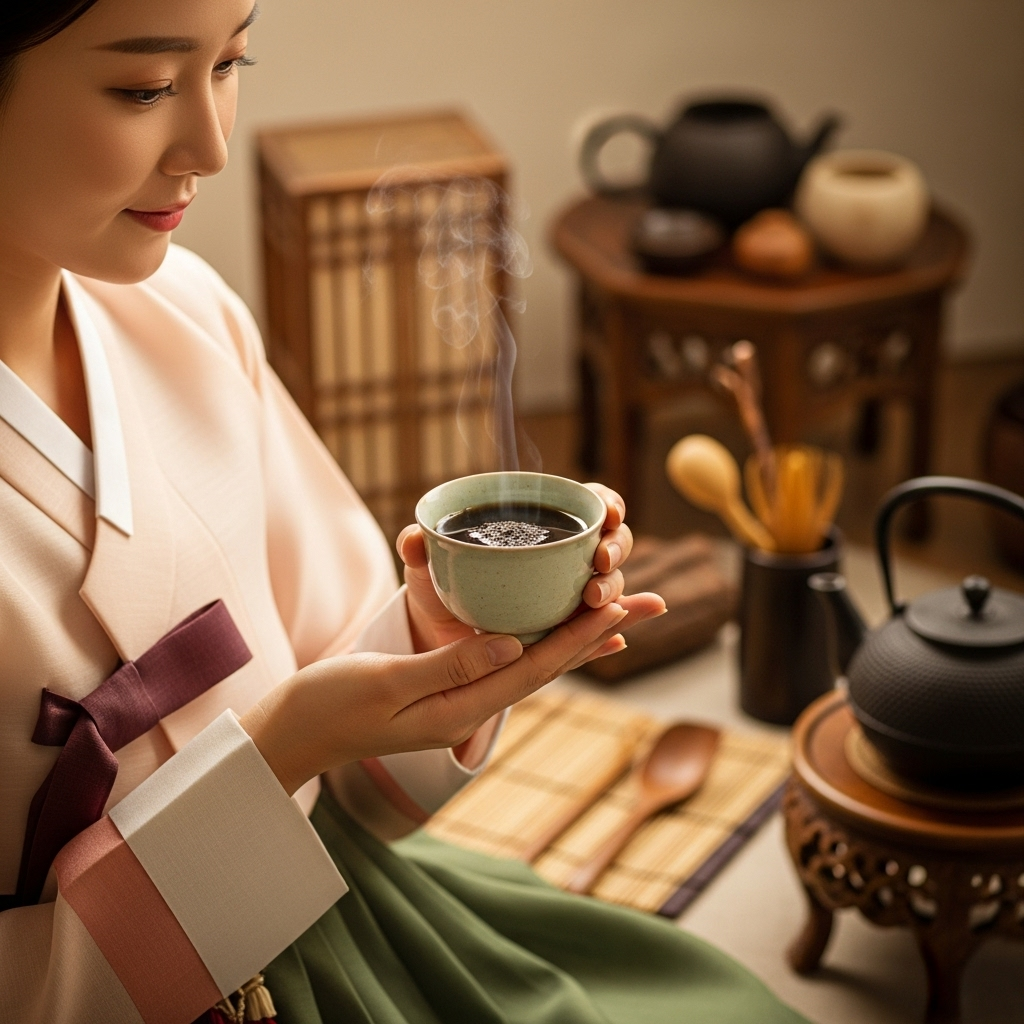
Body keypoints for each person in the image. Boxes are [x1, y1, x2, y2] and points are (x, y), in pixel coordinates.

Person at [0, 2, 808, 1022]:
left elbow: (345, 745)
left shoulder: (188, 314)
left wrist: (445, 636)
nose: (209, 142)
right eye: (145, 88)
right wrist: (278, 753)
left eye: (233, 62)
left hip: (350, 916)